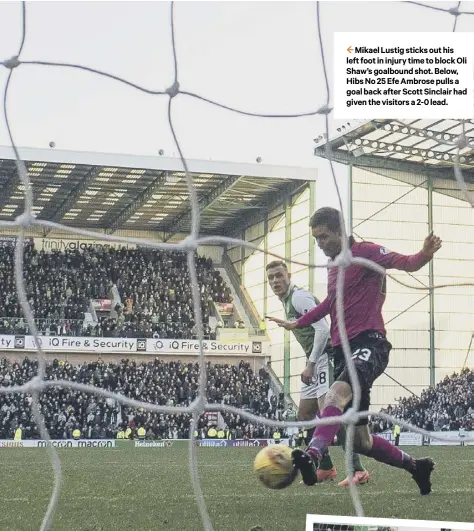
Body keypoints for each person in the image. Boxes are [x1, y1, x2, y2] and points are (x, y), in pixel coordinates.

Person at [266, 207, 441, 495]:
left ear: (339, 231)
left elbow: (405, 262)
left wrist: (425, 253)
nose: (319, 243)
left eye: (323, 237)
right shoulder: (333, 267)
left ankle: (313, 455)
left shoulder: (366, 252)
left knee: (334, 395)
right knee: (361, 442)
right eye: (316, 239)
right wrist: (297, 322)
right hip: (342, 352)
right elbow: (328, 305)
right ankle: (417, 467)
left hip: (370, 343)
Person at [266, 260, 370, 486]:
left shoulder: (298, 297)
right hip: (314, 359)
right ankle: (325, 467)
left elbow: (322, 329)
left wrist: (311, 363)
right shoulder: (288, 301)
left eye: (279, 275)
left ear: (288, 275)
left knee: (331, 415)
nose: (275, 281)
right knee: (304, 414)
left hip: (325, 358)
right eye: (271, 278)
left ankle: (357, 469)